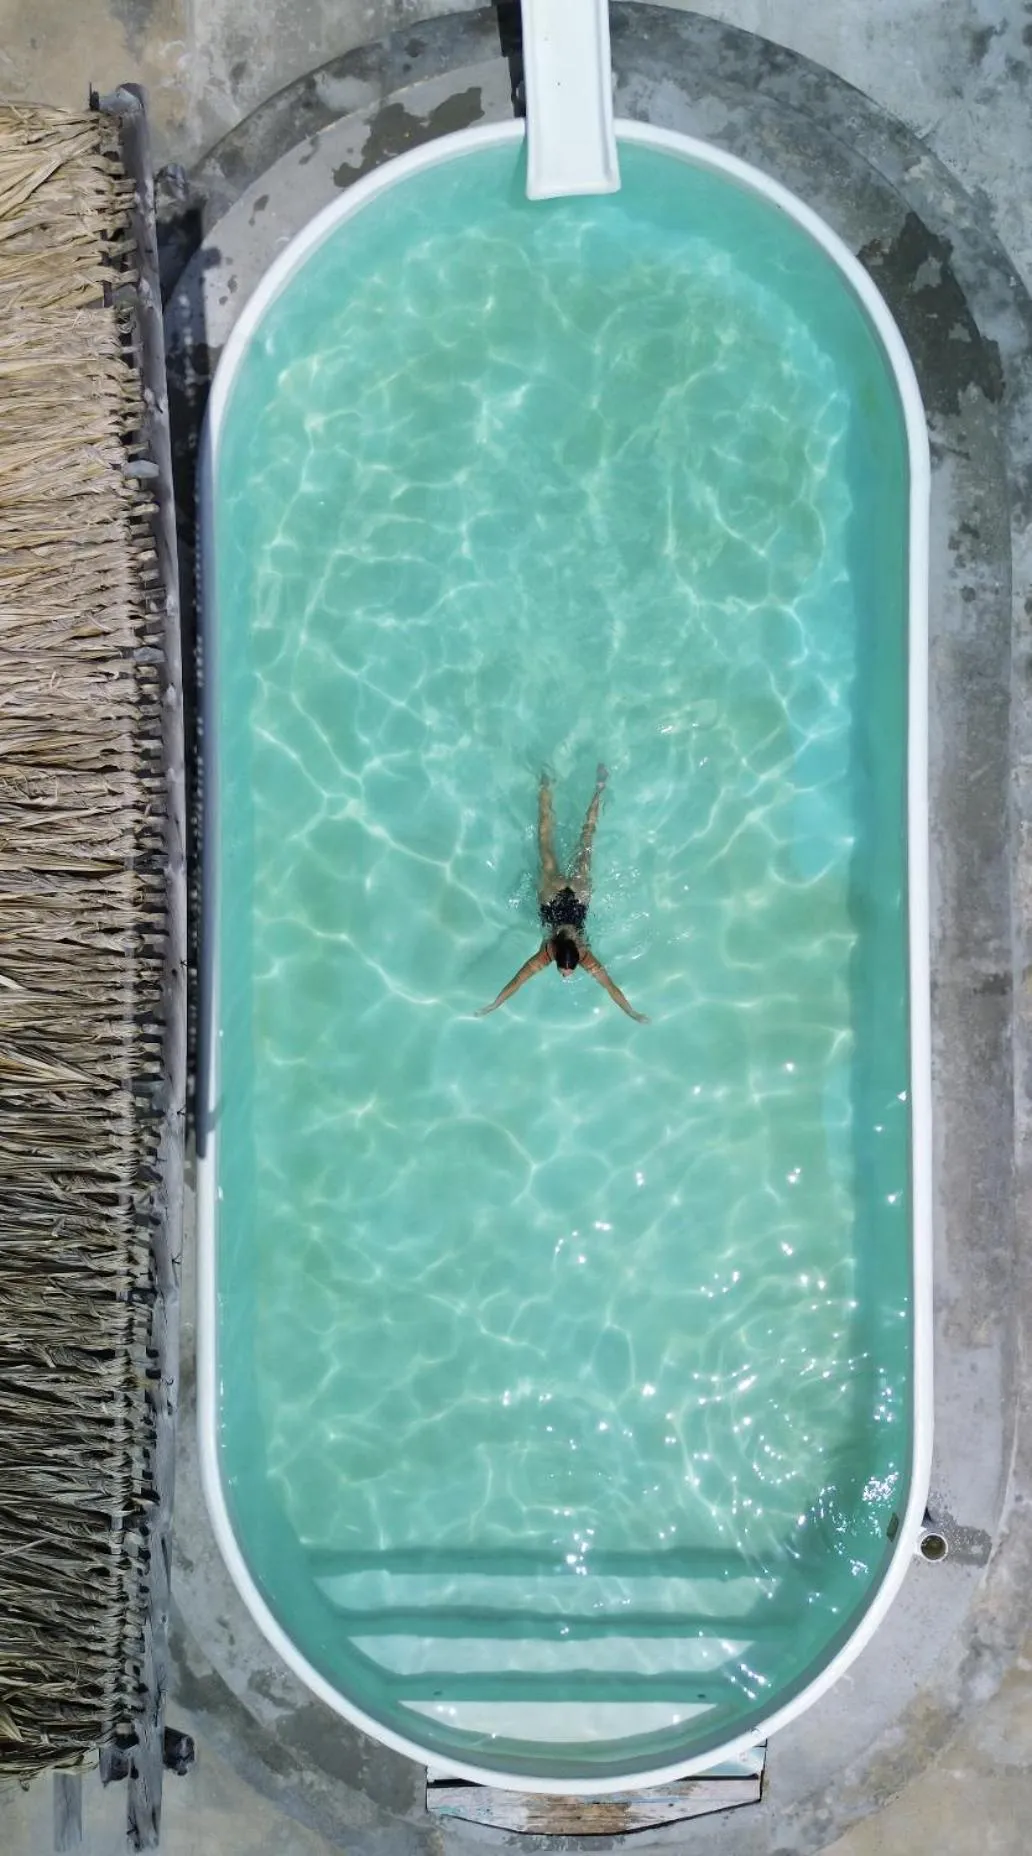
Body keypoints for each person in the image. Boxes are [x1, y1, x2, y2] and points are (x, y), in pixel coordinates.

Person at [477, 765, 649, 1022]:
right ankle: (547, 786)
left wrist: (633, 1013)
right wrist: (495, 1004)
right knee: (546, 842)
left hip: (578, 897)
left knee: (586, 841)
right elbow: (518, 981)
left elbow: (611, 988)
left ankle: (597, 787)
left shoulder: (581, 956)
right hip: (551, 898)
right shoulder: (549, 953)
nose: (566, 973)